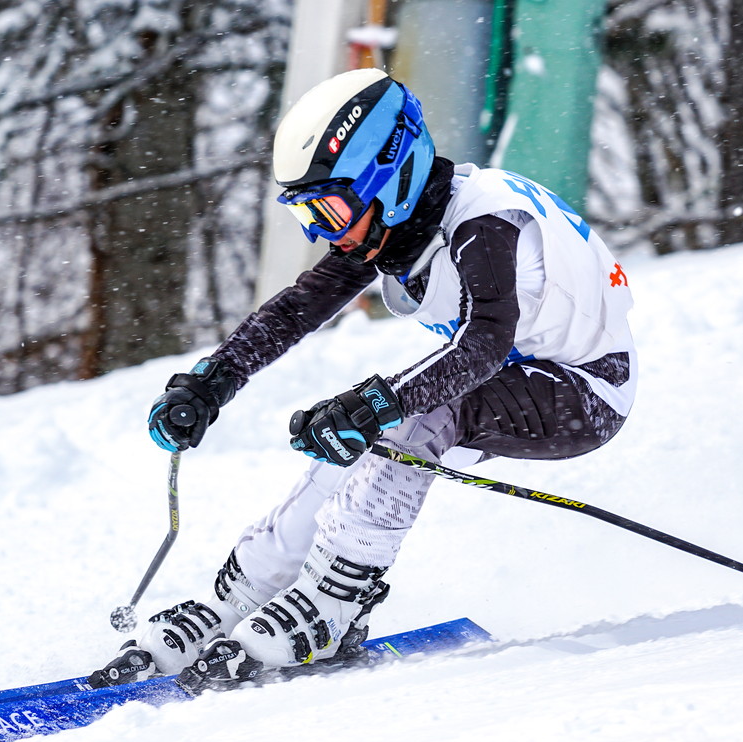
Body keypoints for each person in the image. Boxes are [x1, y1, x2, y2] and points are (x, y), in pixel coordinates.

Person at [91, 68, 636, 693]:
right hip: (516, 370)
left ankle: (333, 600)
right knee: (362, 429)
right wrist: (211, 382)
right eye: (306, 213)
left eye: (328, 208)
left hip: (586, 391)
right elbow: (298, 309)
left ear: (392, 175)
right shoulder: (393, 222)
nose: (322, 231)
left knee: (406, 416)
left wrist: (377, 402)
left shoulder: (485, 224)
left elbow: (483, 345)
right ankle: (242, 596)